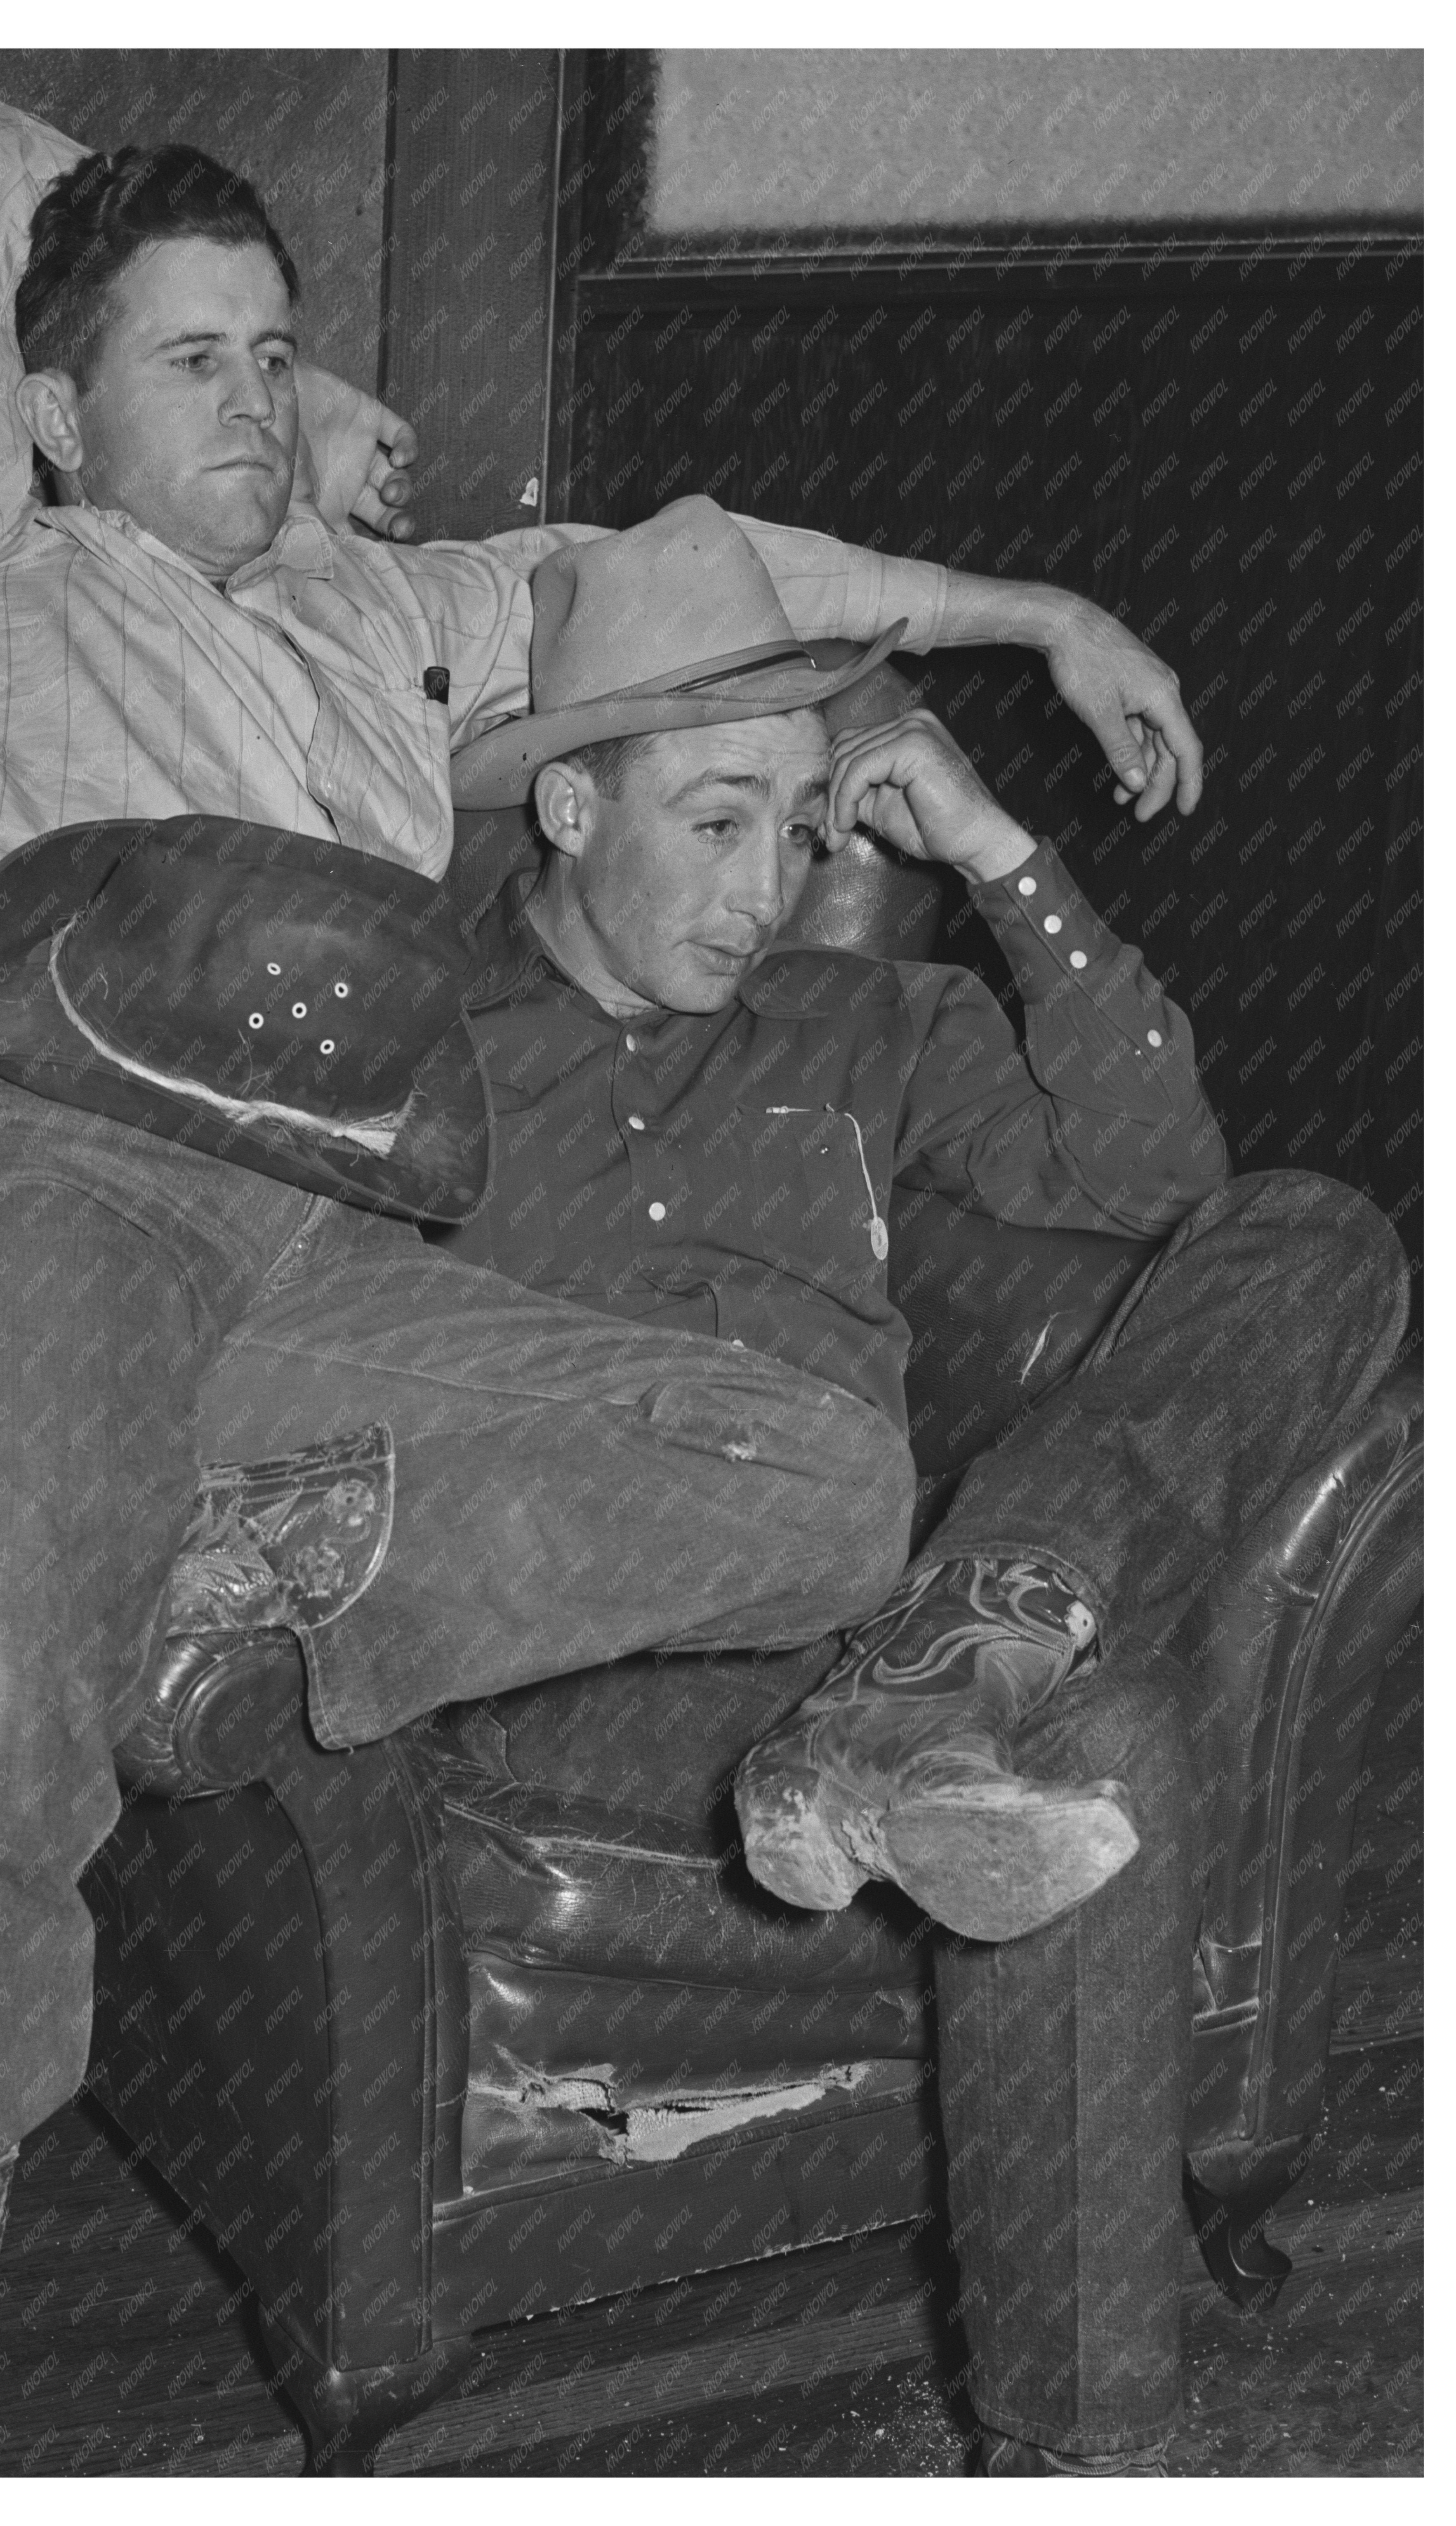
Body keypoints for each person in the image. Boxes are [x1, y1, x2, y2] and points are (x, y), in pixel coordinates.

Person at [0, 93, 1210, 2477]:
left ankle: (210, 1579)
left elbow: (725, 565)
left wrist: (1030, 613)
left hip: (328, 1232)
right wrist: (309, 385)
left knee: (824, 1472)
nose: (257, 405)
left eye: (280, 357)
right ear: (52, 412)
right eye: (196, 363)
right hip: (50, 1145)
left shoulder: (388, 616)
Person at [431, 500, 1411, 2473]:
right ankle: (1081, 2453)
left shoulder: (864, 1019)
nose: (763, 883)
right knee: (1105, 1729)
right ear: (561, 809)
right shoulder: (419, 1054)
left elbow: (1156, 1178)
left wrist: (999, 857)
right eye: (711, 821)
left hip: (892, 1615)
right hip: (619, 1661)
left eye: (798, 827)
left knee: (1315, 1230)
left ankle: (951, 1658)